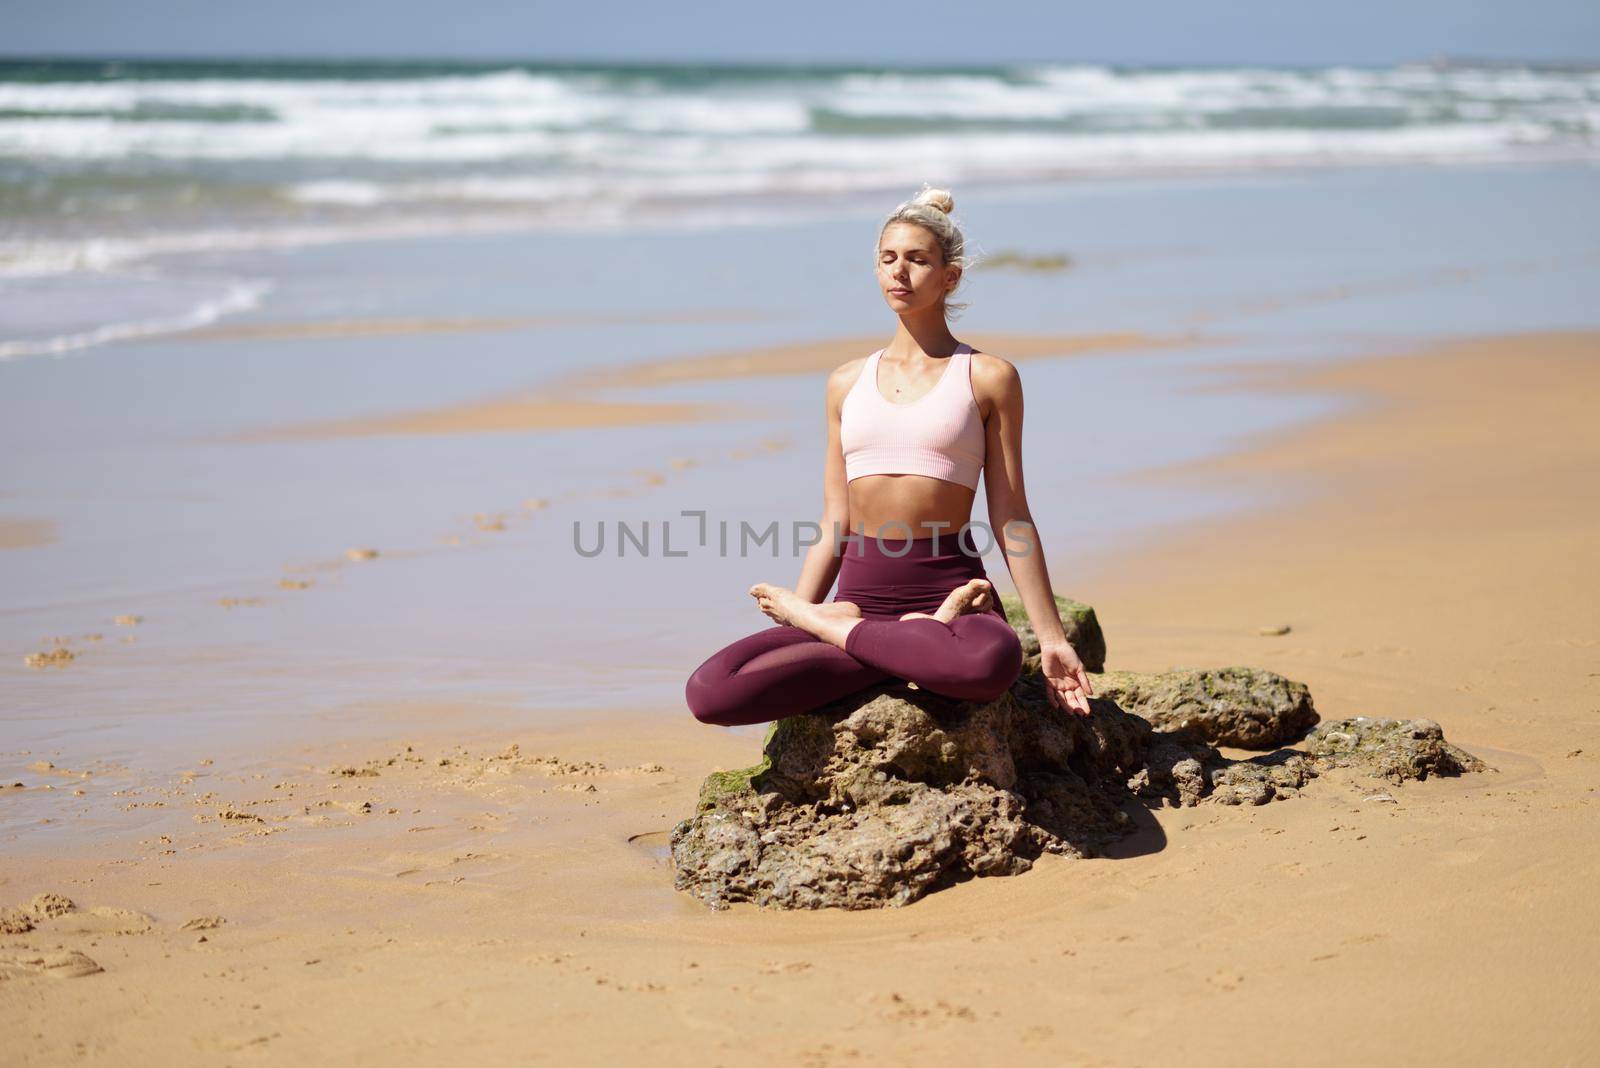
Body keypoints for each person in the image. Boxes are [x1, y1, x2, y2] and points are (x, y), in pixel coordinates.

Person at [684, 184, 1094, 728]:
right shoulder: (845, 382)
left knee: (991, 663)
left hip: (954, 593)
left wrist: (1052, 639)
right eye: (888, 259)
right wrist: (796, 623)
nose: (900, 272)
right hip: (859, 596)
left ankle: (878, 637)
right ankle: (905, 643)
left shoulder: (988, 377)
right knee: (712, 691)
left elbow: (1011, 516)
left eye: (918, 260)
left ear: (950, 277)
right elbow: (836, 520)